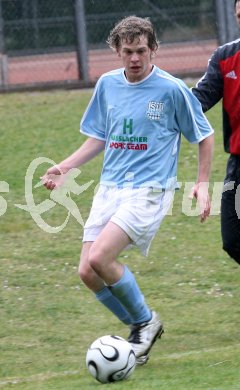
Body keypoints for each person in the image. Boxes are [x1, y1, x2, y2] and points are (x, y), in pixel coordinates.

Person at [42, 15, 214, 365]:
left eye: (141, 51)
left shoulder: (171, 89)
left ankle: (146, 325)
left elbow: (204, 134)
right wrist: (64, 167)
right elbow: (100, 137)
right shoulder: (107, 84)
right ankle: (141, 330)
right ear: (116, 52)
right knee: (87, 273)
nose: (135, 58)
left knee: (100, 257)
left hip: (149, 190)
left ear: (153, 50)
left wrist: (201, 183)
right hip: (110, 187)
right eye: (127, 52)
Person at [192, 0, 240, 265]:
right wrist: (162, 101)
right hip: (238, 165)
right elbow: (198, 100)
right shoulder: (225, 57)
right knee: (232, 239)